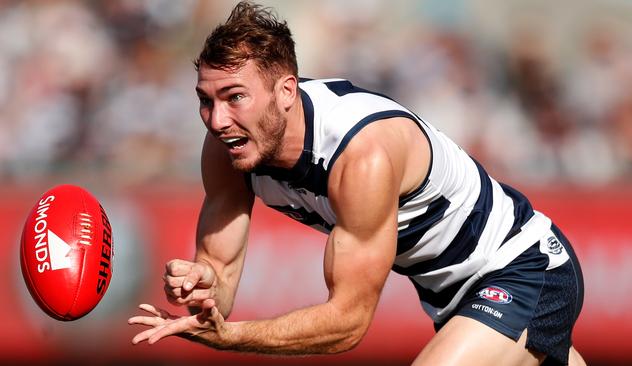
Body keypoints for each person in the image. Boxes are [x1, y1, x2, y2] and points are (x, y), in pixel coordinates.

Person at [128, 2, 586, 365]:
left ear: (286, 92)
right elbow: (218, 279)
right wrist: (202, 286)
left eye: (234, 97)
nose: (217, 119)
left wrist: (231, 339)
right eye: (205, 101)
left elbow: (347, 322)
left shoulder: (360, 153)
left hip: (525, 268)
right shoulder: (229, 148)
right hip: (449, 297)